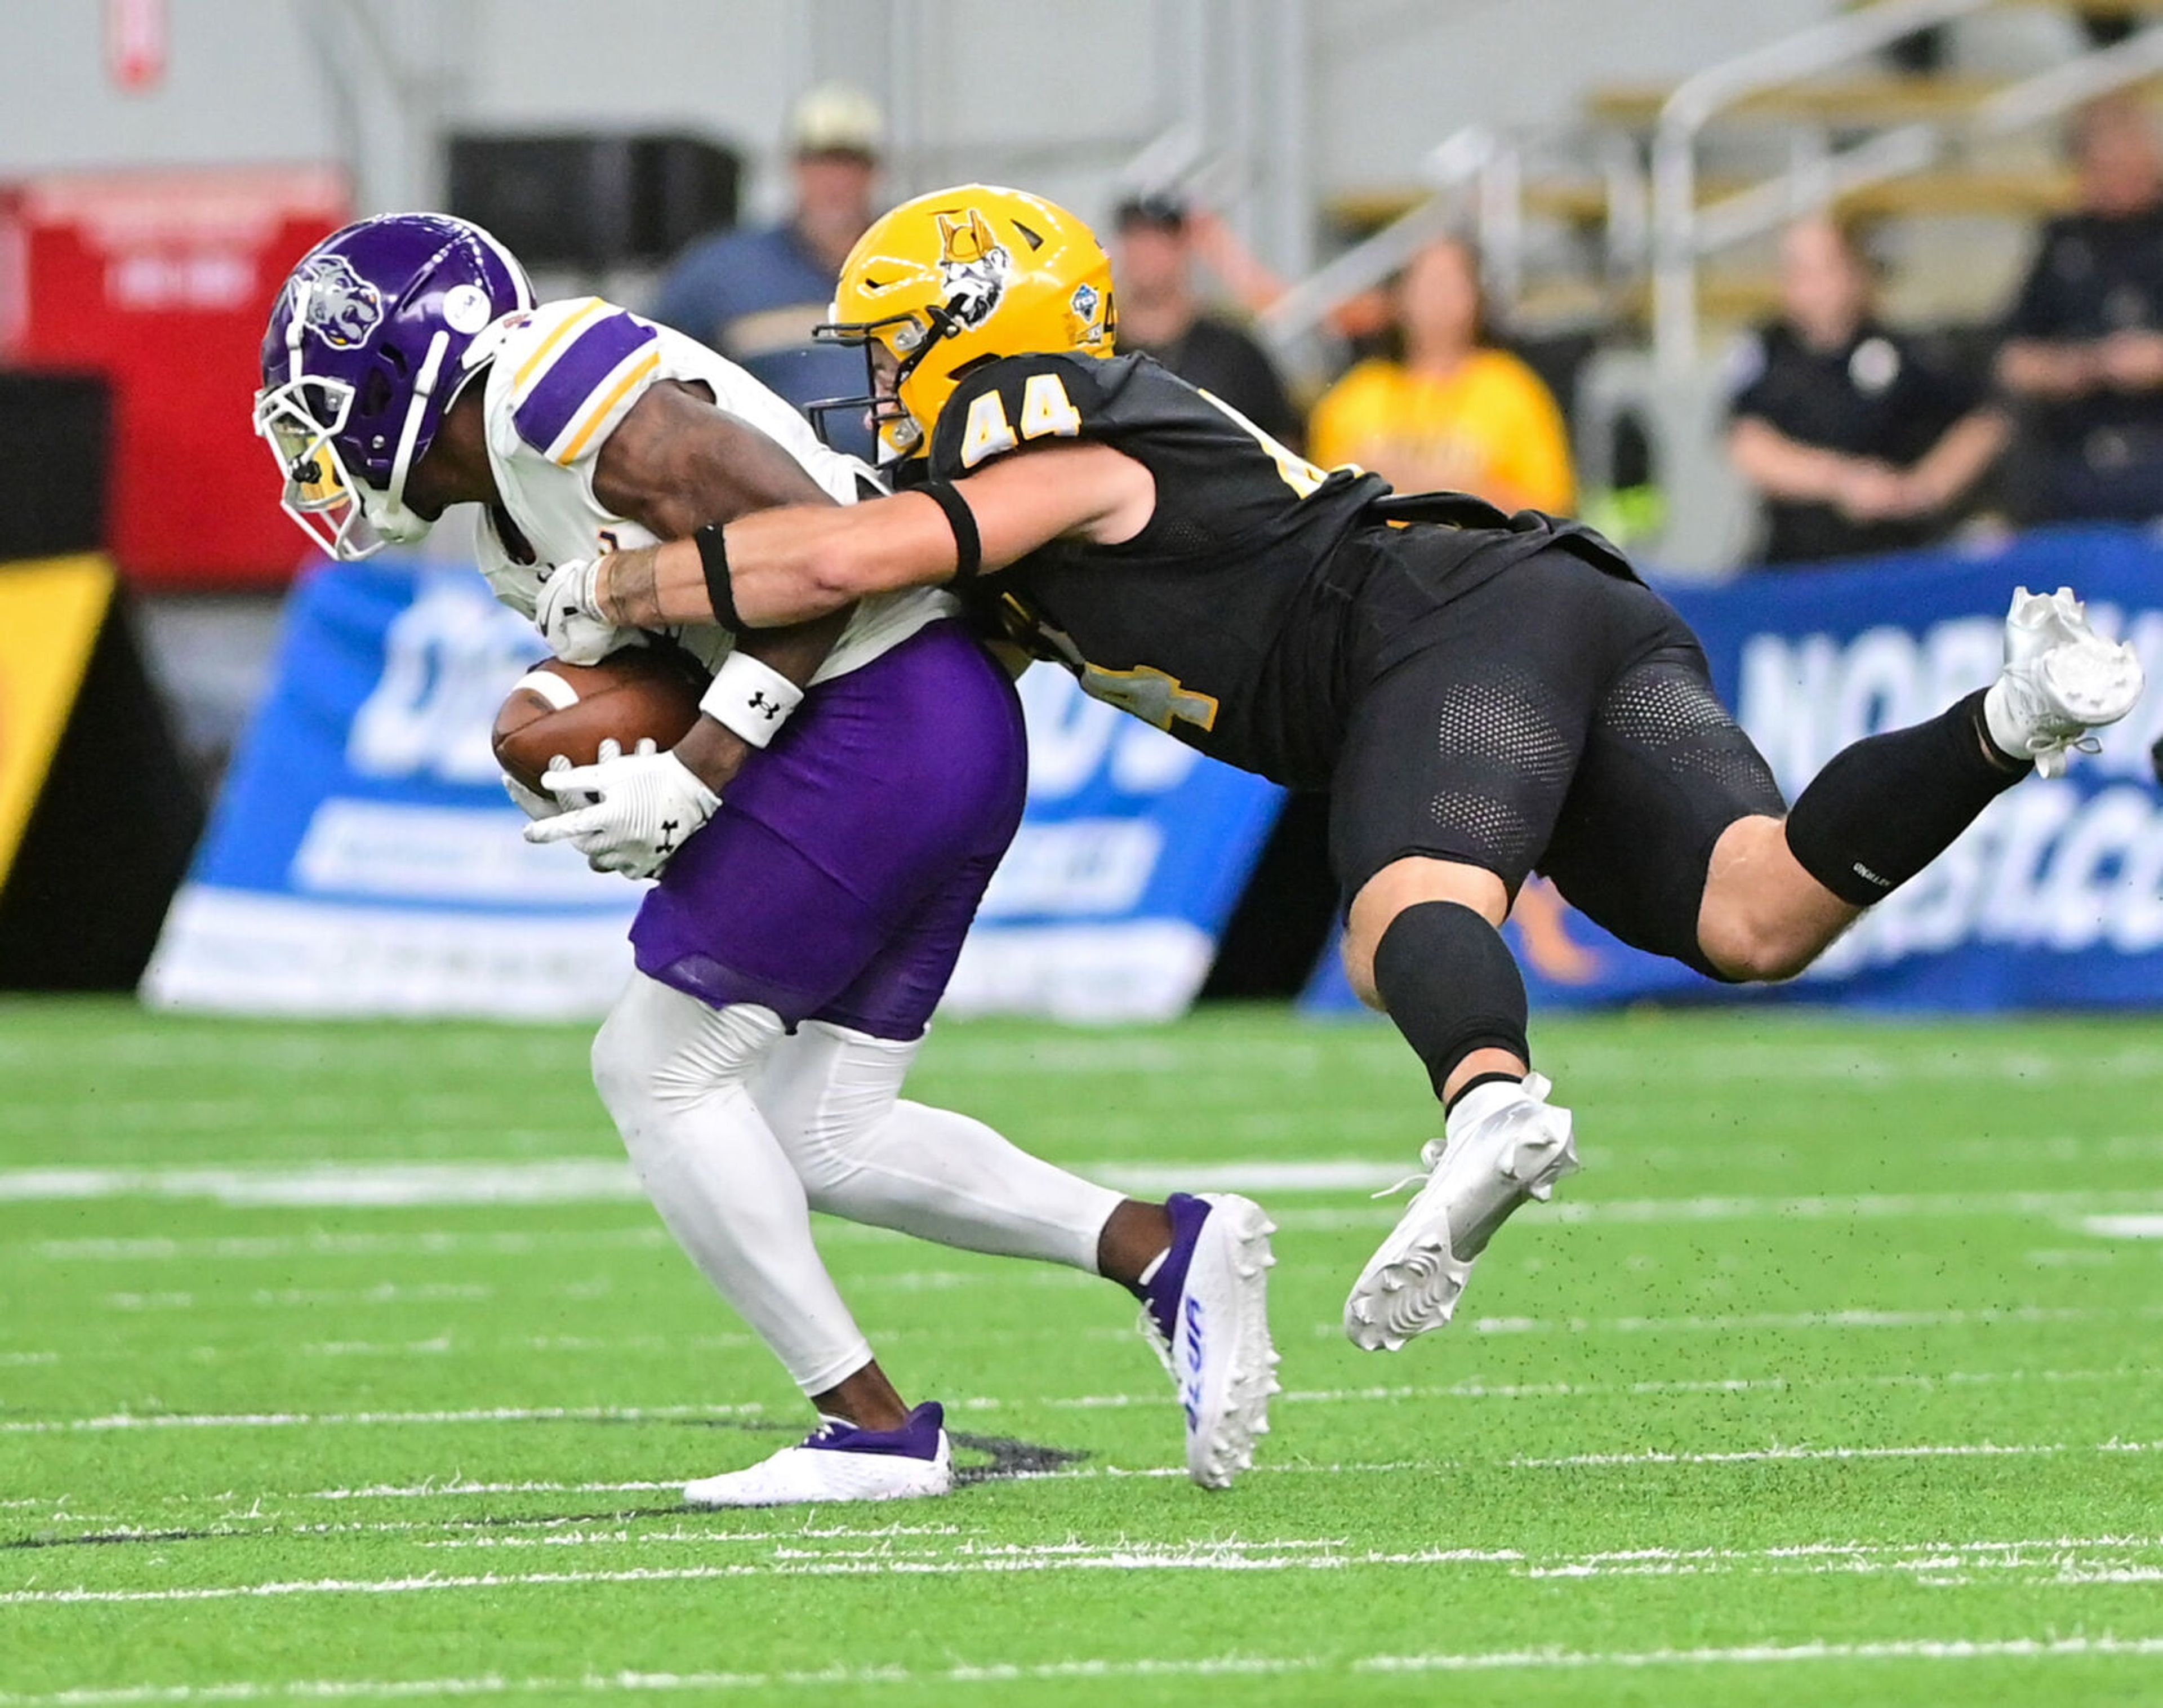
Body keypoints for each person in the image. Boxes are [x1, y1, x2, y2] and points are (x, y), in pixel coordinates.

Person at [540, 184, 2145, 1355]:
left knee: (1398, 924)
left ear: (982, 339)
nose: (880, 386)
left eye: (897, 348)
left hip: (1434, 624)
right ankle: (2009, 721)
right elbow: (900, 634)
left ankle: (1492, 1102)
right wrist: (706, 739)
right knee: (1758, 912)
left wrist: (620, 586)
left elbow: (855, 558)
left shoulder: (1069, 446)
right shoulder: (1045, 494)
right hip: (1556, 599)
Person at [252, 213, 1278, 1504]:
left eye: (331, 411)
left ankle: (870, 1428)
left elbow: (808, 553)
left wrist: (698, 773)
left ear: (410, 374)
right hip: (923, 719)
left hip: (883, 706)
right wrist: (597, 750)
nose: (324, 451)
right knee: (823, 1130)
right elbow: (694, 633)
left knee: (654, 1066)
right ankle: (1160, 1251)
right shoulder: (506, 527)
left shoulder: (547, 389)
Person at [1727, 216, 2007, 566]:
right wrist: (1844, 481)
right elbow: (1750, 445)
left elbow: (1984, 421)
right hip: (1795, 557)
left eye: (1823, 270)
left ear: (1855, 274)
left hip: (1890, 554)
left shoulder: (1900, 352)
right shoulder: (1768, 351)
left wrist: (1923, 490)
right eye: (1796, 271)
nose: (1809, 287)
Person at [648, 85, 887, 459]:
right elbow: (653, 371)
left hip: (907, 493)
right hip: (772, 495)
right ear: (794, 167)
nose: (836, 181)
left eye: (851, 164)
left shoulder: (914, 265)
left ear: (874, 172)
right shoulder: (722, 271)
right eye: (821, 162)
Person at [1306, 234, 1574, 514]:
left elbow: (1552, 510)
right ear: (1399, 297)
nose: (1438, 300)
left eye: (1451, 284)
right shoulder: (1357, 394)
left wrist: (1454, 489)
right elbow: (1321, 504)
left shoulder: (1512, 388)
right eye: (1427, 284)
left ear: (1477, 297)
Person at [1997, 93, 2163, 523]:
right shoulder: (2064, 243)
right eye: (2106, 166)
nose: (2122, 177)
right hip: (2079, 450)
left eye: (2132, 161)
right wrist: (2076, 367)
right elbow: (2012, 358)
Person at [1111, 192, 1302, 450]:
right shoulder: (1097, 350)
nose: (1148, 253)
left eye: (1161, 240)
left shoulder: (1234, 351)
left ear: (1184, 247)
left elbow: (1283, 443)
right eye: (1137, 239)